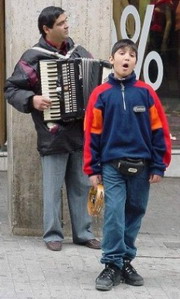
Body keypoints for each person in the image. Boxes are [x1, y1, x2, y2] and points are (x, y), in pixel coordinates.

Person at [4, 6, 101, 251]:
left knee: (80, 185)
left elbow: (97, 79)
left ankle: (83, 232)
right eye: (60, 23)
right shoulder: (34, 57)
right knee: (52, 187)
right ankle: (52, 234)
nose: (66, 26)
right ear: (47, 29)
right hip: (53, 132)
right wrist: (32, 100)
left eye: (66, 21)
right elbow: (12, 89)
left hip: (81, 131)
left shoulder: (79, 53)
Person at [83, 39, 171, 291]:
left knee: (134, 212)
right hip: (111, 166)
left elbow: (159, 130)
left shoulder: (146, 92)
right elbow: (92, 133)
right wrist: (93, 168)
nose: (127, 58)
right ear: (112, 59)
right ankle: (111, 263)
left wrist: (158, 165)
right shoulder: (100, 94)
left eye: (132, 55)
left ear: (135, 61)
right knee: (113, 214)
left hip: (142, 167)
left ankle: (125, 261)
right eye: (121, 53)